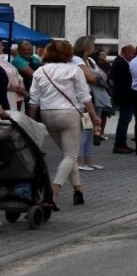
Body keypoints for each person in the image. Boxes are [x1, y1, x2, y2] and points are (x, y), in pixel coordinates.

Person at [32, 39, 101, 208]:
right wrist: (93, 115)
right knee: (70, 156)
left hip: (47, 114)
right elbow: (84, 96)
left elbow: (33, 100)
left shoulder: (40, 71)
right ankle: (53, 193)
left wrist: (31, 121)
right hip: (69, 114)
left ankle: (78, 190)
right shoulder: (73, 70)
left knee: (67, 154)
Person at [73, 36, 110, 171]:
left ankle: (88, 159)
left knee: (91, 129)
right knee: (85, 129)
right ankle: (79, 160)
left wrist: (97, 77)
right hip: (84, 100)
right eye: (92, 45)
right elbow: (92, 77)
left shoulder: (89, 60)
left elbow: (100, 76)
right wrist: (97, 77)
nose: (94, 47)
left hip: (93, 97)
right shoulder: (77, 60)